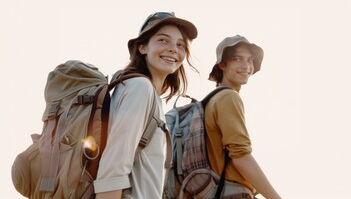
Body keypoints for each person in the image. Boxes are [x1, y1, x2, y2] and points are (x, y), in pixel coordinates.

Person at [94, 12, 198, 199]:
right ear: (142, 47)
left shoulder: (144, 92)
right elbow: (113, 168)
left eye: (180, 44)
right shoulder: (139, 88)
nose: (174, 49)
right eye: (163, 40)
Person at [205, 35, 281, 199]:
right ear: (223, 64)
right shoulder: (228, 97)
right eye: (237, 59)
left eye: (250, 60)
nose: (246, 66)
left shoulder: (210, 100)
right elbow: (241, 157)